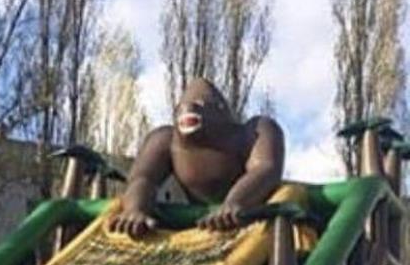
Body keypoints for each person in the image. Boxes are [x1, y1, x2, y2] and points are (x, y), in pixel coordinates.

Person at [110, 77, 285, 237]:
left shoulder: (253, 131)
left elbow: (265, 168)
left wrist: (236, 202)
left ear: (219, 111)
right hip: (198, 222)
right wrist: (135, 208)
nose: (188, 108)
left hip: (251, 215)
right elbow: (143, 177)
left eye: (200, 104)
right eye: (181, 107)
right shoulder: (165, 140)